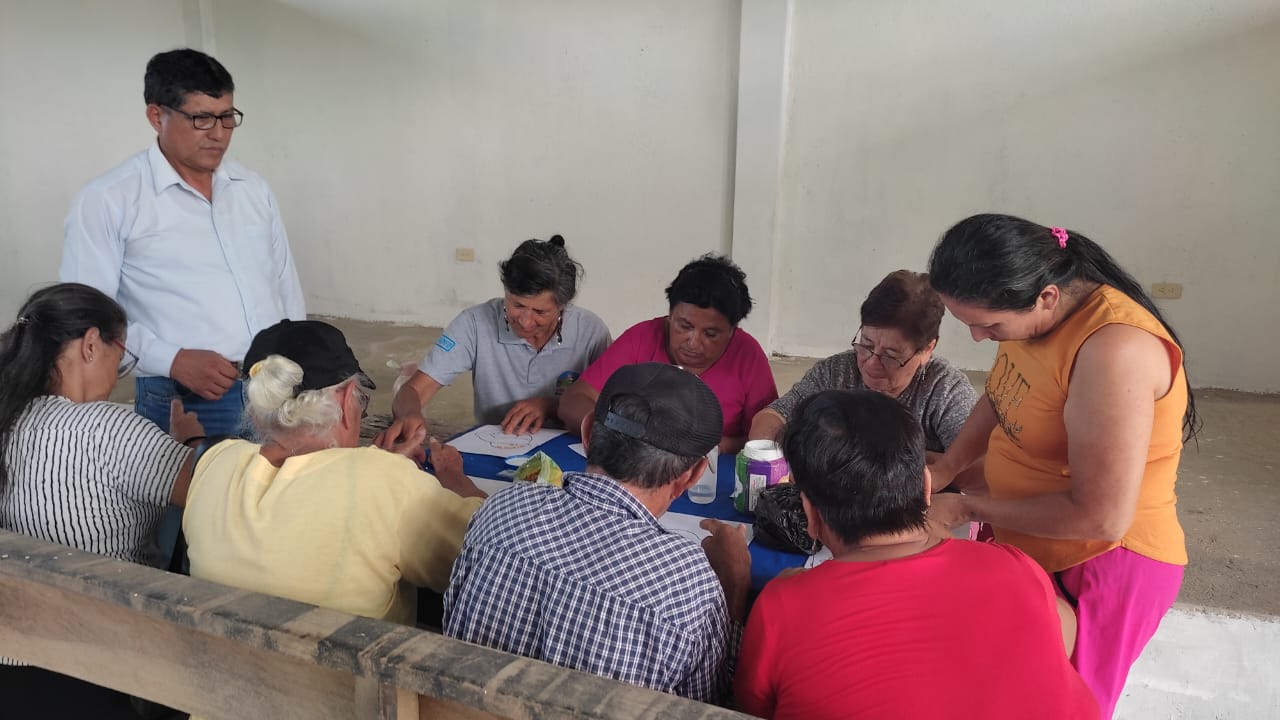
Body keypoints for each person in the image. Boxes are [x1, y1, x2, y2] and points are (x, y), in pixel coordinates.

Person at [925, 213, 1198, 718]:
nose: (980, 338)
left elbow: (1101, 517)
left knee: (1060, 703)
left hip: (1103, 561)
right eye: (968, 324)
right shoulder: (1031, 317)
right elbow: (1002, 392)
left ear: (1046, 297)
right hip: (1031, 536)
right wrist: (947, 467)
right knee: (1002, 690)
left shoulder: (1114, 351)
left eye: (989, 325)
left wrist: (966, 508)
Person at [734, 389, 1098, 720]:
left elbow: (746, 708)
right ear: (926, 487)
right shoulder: (1015, 566)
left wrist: (738, 586)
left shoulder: (785, 606)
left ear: (810, 514)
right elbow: (1063, 623)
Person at [444, 363, 752, 702]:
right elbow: (711, 706)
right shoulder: (686, 582)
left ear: (588, 432)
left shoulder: (501, 509)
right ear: (692, 475)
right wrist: (734, 586)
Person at [60, 48, 305, 436]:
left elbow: (284, 283)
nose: (219, 133)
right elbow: (86, 317)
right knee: (195, 479)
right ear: (157, 116)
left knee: (285, 478)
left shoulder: (251, 188)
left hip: (274, 388)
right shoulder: (109, 199)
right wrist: (172, 360)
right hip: (186, 396)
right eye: (201, 118)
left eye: (227, 117)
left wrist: (300, 357)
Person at [182, 319, 486, 625]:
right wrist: (454, 478)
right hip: (353, 657)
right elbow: (492, 556)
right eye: (360, 401)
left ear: (259, 414)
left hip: (214, 653)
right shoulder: (384, 482)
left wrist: (376, 469)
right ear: (345, 398)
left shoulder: (215, 462)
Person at [0, 282, 203, 718]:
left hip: (11, 663)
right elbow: (216, 496)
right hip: (92, 668)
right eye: (121, 358)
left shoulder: (7, 417)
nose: (117, 376)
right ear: (91, 345)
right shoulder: (108, 429)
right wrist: (192, 443)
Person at [380, 235, 610, 446]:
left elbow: (608, 414)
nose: (526, 321)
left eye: (540, 312)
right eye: (516, 305)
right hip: (498, 447)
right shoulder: (474, 324)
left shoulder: (591, 333)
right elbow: (414, 390)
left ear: (563, 306)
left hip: (571, 447)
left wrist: (552, 406)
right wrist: (409, 414)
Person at [558, 255, 777, 454]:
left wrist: (719, 447)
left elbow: (769, 435)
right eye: (684, 326)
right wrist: (623, 430)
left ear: (732, 330)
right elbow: (573, 401)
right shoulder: (642, 338)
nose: (693, 343)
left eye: (710, 334)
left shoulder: (748, 355)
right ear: (670, 315)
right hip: (636, 464)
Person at [748, 269, 977, 458]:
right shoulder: (837, 373)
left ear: (927, 349)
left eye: (891, 355)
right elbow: (769, 419)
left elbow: (978, 470)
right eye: (866, 345)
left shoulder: (946, 391)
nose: (871, 364)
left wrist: (872, 457)